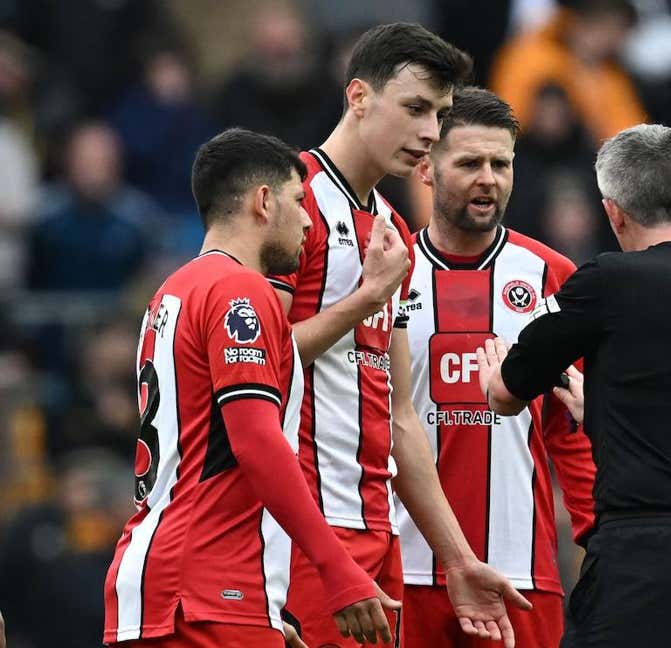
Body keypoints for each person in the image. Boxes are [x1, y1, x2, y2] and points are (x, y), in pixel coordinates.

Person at [266, 22, 530, 648]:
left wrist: (459, 559)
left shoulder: (389, 228)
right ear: (358, 97)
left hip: (376, 528)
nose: (429, 133)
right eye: (415, 109)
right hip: (300, 531)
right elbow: (254, 366)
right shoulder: (286, 201)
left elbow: (402, 415)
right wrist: (367, 299)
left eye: (438, 114)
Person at [478, 123, 671, 647]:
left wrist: (497, 374)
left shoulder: (607, 282)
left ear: (613, 211)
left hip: (641, 560)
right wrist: (599, 412)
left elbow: (510, 390)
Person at [102, 128, 398, 647]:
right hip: (205, 593)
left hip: (160, 586)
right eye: (299, 202)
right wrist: (337, 568)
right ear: (264, 202)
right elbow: (256, 442)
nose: (308, 220)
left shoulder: (171, 293)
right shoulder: (242, 289)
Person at [397, 87, 597, 648]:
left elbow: (572, 428)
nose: (488, 178)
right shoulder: (387, 274)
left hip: (520, 572)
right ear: (426, 170)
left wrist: (598, 538)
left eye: (500, 164)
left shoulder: (549, 274)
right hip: (404, 569)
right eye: (468, 163)